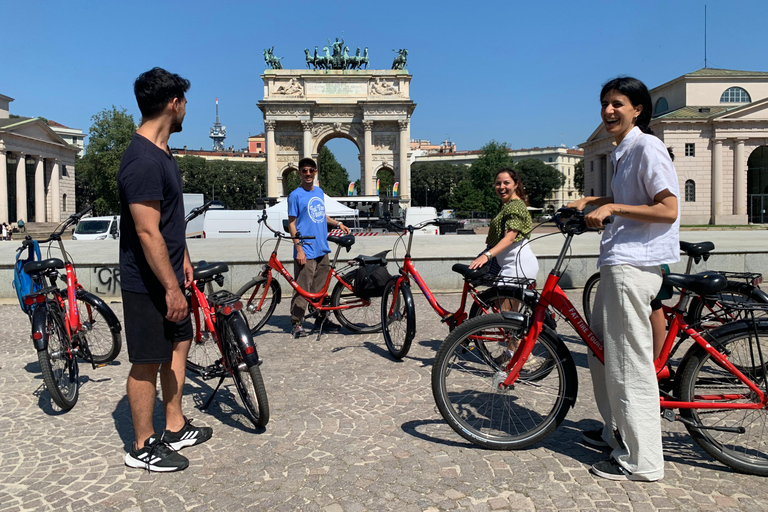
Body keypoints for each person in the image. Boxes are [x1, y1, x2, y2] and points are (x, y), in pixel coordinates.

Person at [567, 76, 679, 482]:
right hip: (617, 263)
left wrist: (612, 204)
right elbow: (634, 199)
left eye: (617, 103)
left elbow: (667, 208)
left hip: (634, 266)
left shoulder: (647, 146)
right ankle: (618, 432)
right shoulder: (622, 150)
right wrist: (592, 201)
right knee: (602, 355)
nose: (608, 111)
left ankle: (644, 461)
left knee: (629, 364)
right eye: (604, 104)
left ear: (638, 109)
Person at [118, 67, 211, 472]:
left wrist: (185, 257)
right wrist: (171, 289)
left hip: (172, 272)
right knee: (146, 361)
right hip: (149, 282)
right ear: (174, 104)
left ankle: (174, 425)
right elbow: (147, 231)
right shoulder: (141, 160)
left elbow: (170, 222)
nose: (187, 108)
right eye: (185, 102)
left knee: (178, 345)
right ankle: (141, 445)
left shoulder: (163, 153)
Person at [287, 157, 351, 338]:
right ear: (299, 173)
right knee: (302, 288)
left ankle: (320, 318)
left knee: (321, 287)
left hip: (321, 246)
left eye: (311, 170)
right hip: (305, 248)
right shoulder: (295, 195)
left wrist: (337, 223)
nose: (308, 173)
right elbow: (292, 224)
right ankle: (297, 322)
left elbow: (321, 214)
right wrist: (298, 248)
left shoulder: (319, 192)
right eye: (304, 170)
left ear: (315, 172)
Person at [469, 168, 539, 290]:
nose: (502, 187)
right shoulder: (508, 205)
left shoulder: (515, 206)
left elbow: (509, 239)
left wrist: (486, 255)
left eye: (506, 183)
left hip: (517, 266)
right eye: (498, 183)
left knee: (505, 307)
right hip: (510, 264)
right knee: (500, 305)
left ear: (516, 184)